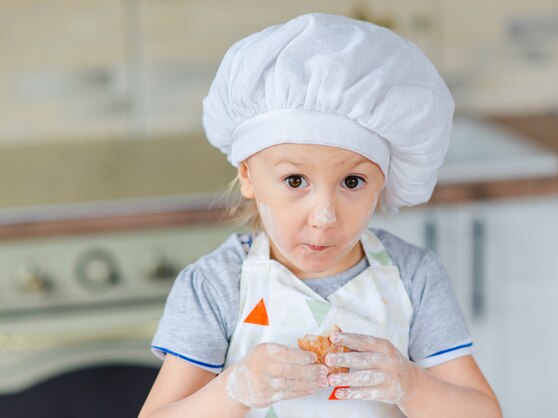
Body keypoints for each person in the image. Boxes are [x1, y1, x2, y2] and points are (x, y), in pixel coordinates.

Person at [139, 12, 502, 418]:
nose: (325, 216)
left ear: (383, 181)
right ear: (248, 176)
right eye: (295, 181)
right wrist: (235, 388)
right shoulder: (217, 285)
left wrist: (409, 382)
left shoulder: (414, 277)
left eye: (352, 182)